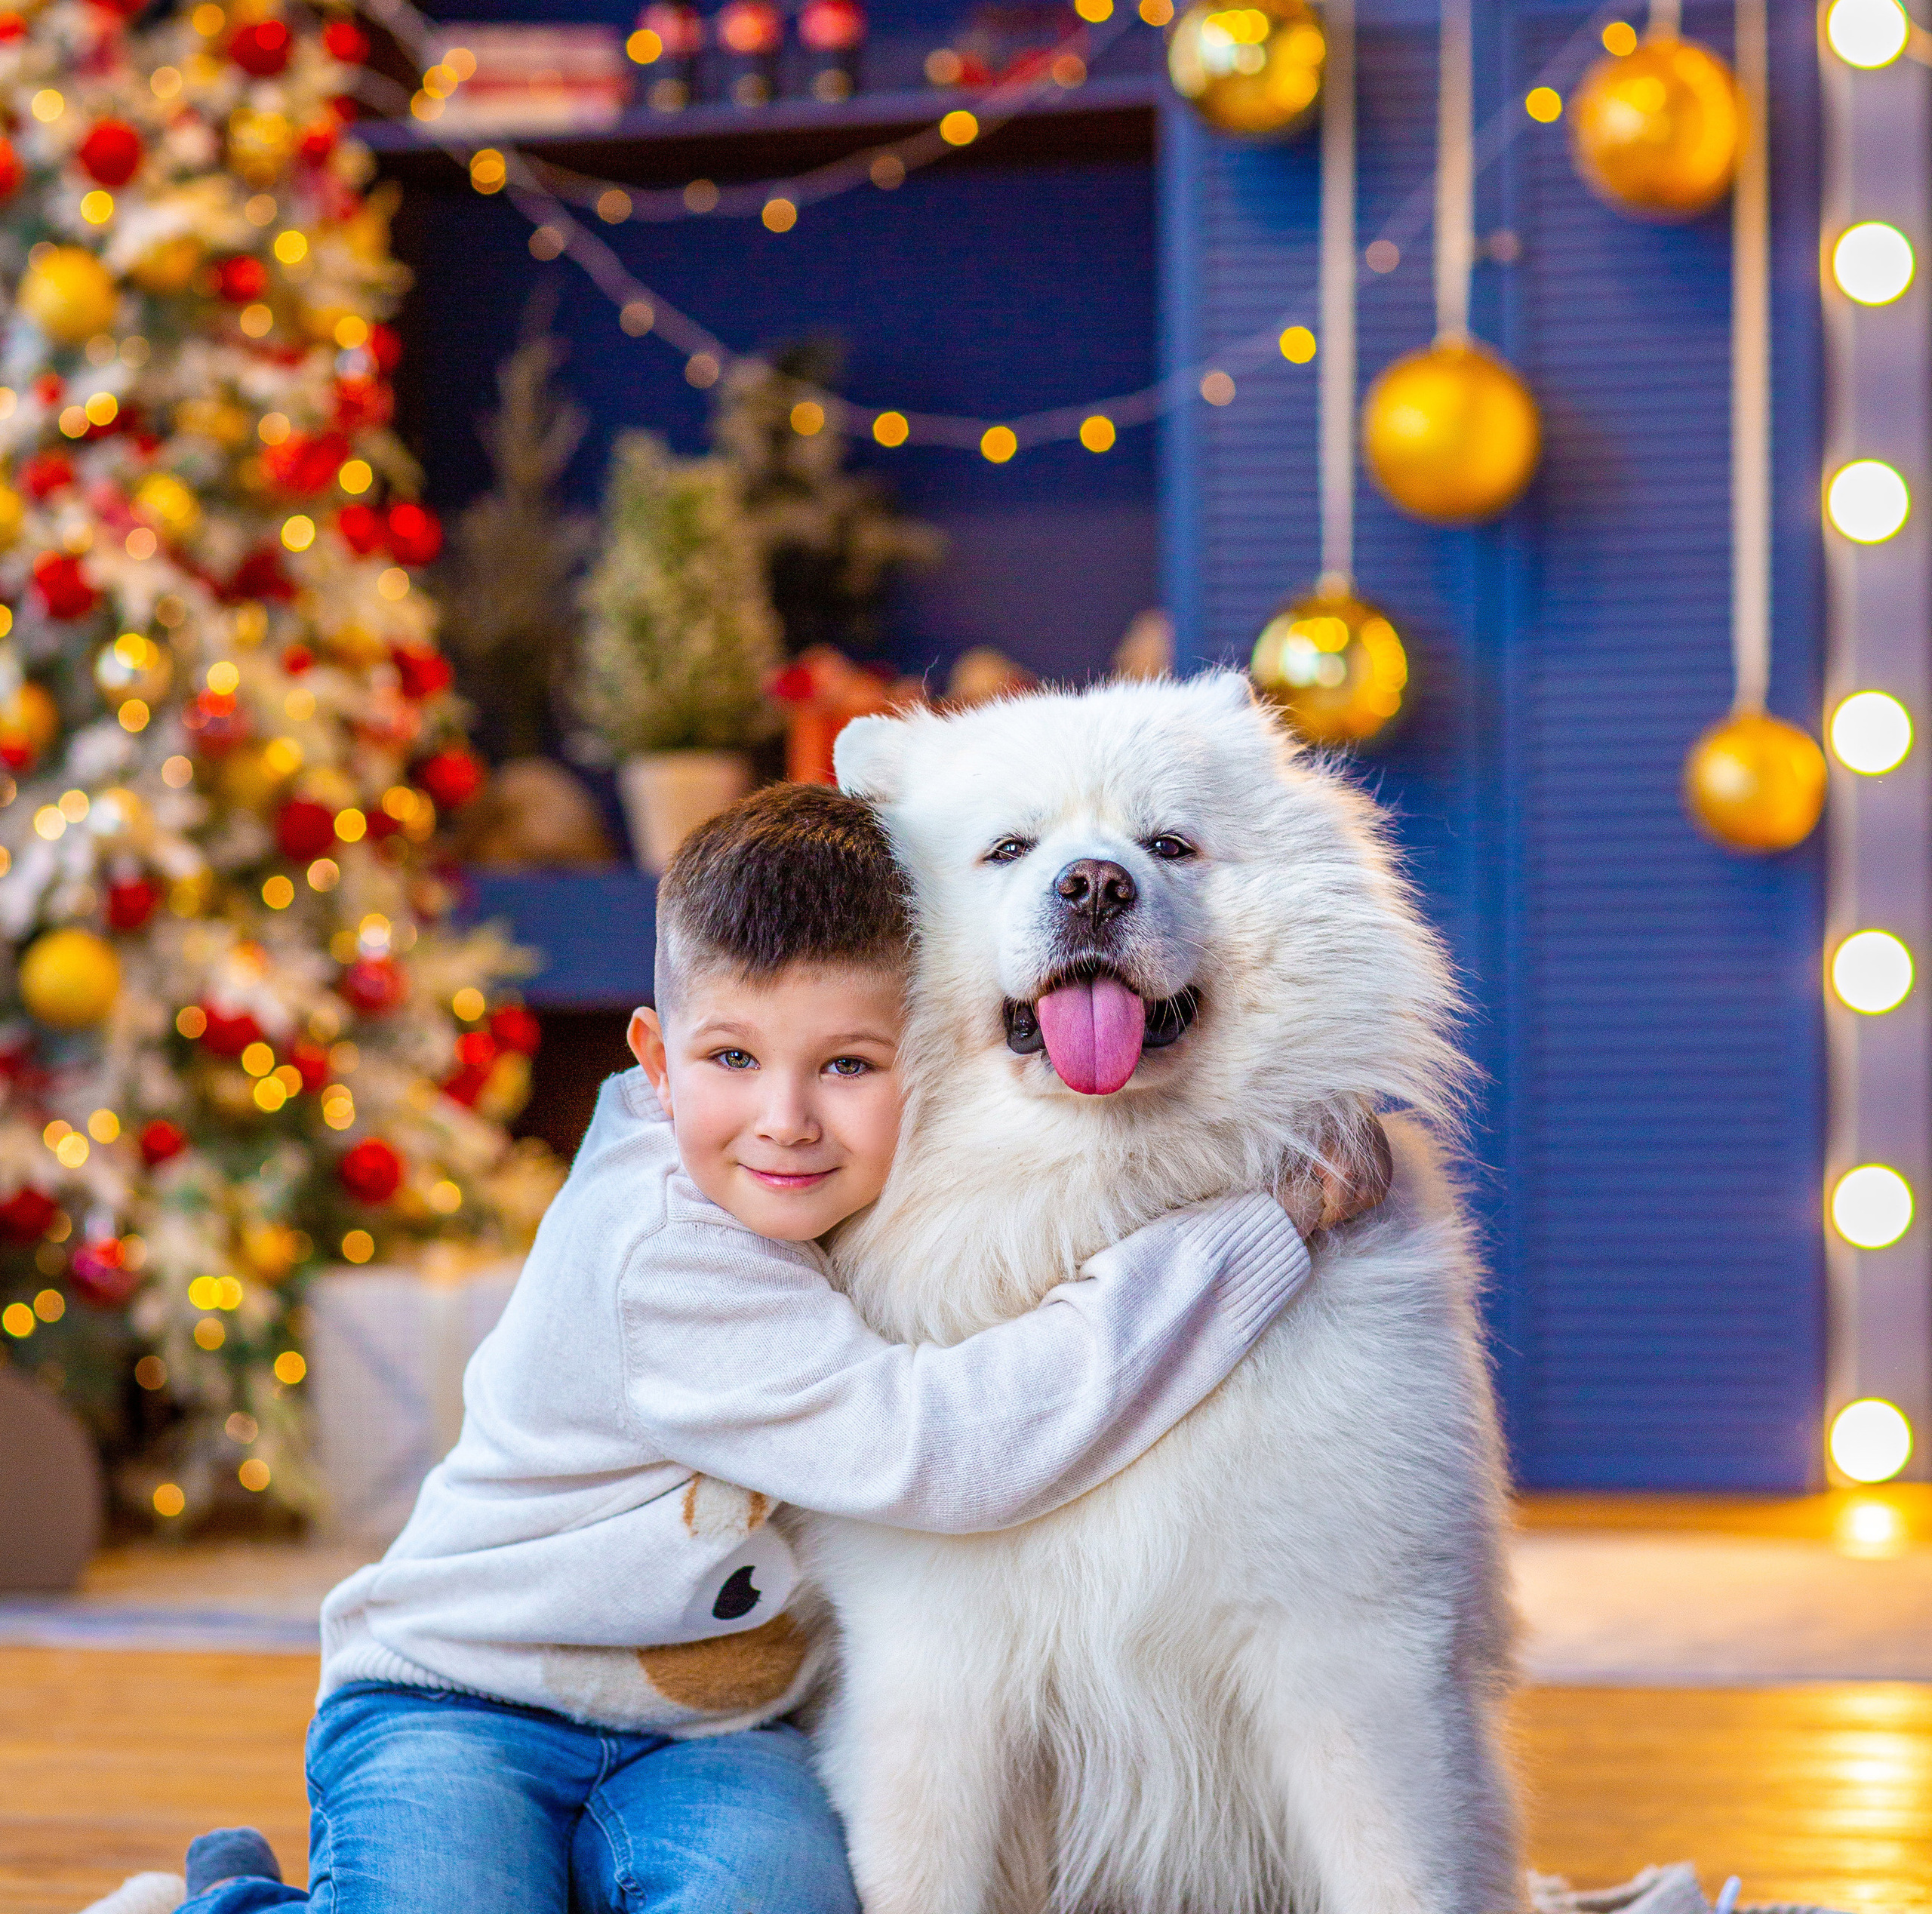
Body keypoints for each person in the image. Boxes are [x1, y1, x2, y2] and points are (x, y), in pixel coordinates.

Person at [171, 783, 1389, 1914]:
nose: (787, 1122)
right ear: (654, 1059)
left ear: (925, 1053)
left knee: (776, 1895)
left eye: (849, 1065)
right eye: (732, 1059)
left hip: (711, 1735)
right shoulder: (663, 1251)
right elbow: (946, 1448)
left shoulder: (871, 1196)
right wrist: (1260, 1227)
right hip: (459, 1702)